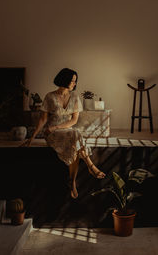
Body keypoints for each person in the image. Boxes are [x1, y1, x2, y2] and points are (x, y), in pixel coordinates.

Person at [23, 68, 105, 199]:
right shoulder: (50, 96)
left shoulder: (75, 97)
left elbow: (74, 120)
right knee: (75, 136)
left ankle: (75, 179)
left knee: (74, 136)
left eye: (75, 81)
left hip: (65, 130)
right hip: (52, 133)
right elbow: (43, 119)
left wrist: (57, 127)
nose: (74, 83)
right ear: (64, 79)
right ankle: (86, 170)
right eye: (72, 80)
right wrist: (32, 137)